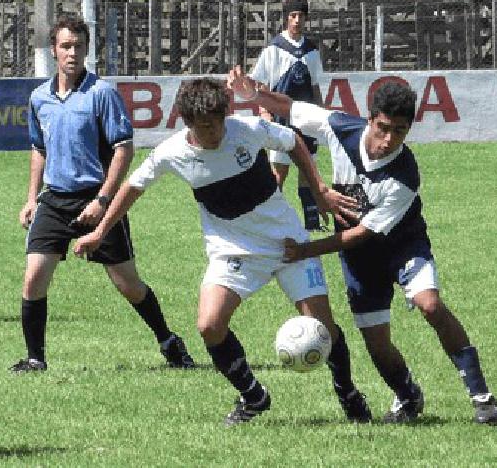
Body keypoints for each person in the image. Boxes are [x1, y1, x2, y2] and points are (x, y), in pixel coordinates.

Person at [74, 78, 371, 426]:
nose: (214, 133)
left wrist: (319, 189)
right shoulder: (170, 153)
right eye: (204, 127)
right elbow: (132, 189)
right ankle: (253, 395)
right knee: (209, 325)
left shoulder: (246, 129)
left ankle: (347, 391)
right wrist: (99, 231)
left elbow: (294, 142)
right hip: (232, 251)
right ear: (187, 123)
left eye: (217, 123)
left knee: (322, 325)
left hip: (288, 244)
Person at [228, 66, 497, 425]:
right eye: (383, 127)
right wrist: (253, 95)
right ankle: (407, 396)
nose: (388, 139)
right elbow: (292, 108)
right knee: (376, 341)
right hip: (359, 261)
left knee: (430, 304)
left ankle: (481, 396)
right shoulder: (341, 128)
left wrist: (305, 250)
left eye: (400, 132)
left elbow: (364, 233)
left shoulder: (404, 174)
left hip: (402, 247)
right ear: (370, 119)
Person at [13, 15, 195, 374]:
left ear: (86, 49)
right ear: (53, 50)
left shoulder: (102, 93)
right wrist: (32, 197)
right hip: (55, 199)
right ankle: (36, 358)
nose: (72, 52)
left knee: (127, 284)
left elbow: (124, 149)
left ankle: (168, 340)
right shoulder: (39, 98)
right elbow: (39, 149)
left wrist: (102, 200)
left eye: (79, 46)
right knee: (34, 277)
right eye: (66, 45)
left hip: (96, 198)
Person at [249, 0, 326, 231]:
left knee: (307, 170)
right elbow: (259, 84)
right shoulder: (274, 49)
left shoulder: (311, 51)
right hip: (281, 119)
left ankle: (311, 223)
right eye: (293, 16)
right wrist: (264, 111)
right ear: (286, 18)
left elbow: (315, 86)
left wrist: (322, 116)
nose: (296, 21)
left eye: (301, 16)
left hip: (306, 119)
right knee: (278, 173)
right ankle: (271, 221)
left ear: (306, 19)